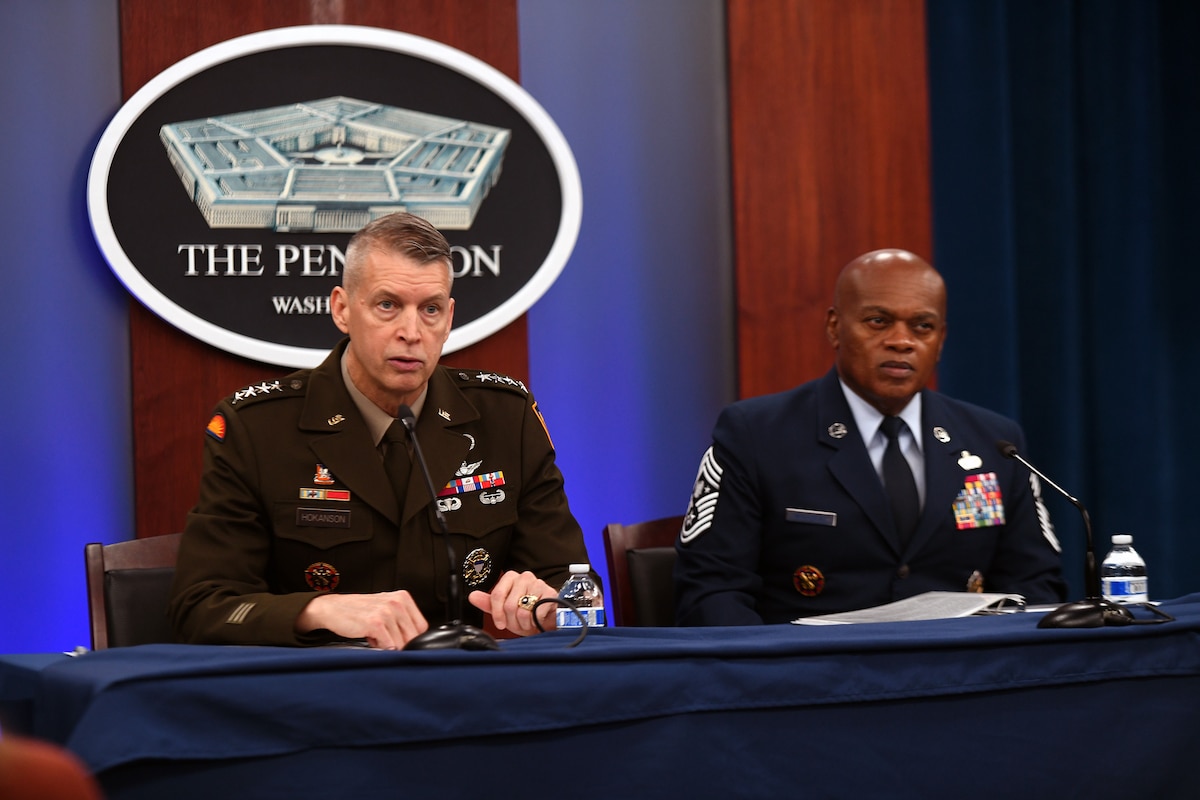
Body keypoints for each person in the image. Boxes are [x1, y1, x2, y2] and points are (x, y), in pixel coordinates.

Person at [169, 212, 591, 648]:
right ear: (342, 309)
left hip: (461, 693)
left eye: (429, 310)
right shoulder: (256, 427)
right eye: (387, 305)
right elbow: (200, 605)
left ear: (448, 319)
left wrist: (547, 603)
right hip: (313, 694)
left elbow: (580, 589)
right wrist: (318, 610)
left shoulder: (507, 418)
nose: (411, 332)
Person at [675, 248, 1067, 625]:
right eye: (879, 321)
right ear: (835, 327)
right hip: (812, 678)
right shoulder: (756, 434)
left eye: (922, 326)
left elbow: (1036, 586)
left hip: (959, 676)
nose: (902, 341)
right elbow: (713, 590)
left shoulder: (994, 443)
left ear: (941, 340)